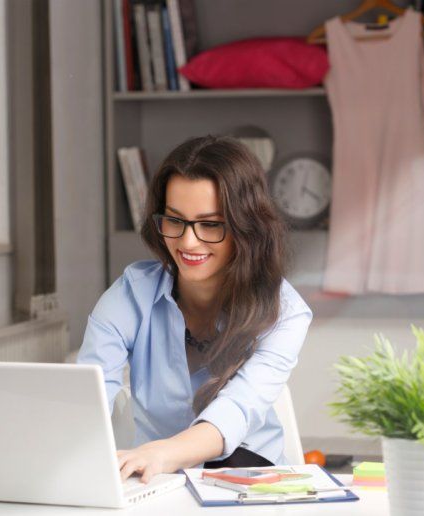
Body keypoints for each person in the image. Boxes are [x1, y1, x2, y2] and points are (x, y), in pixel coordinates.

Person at [77, 135, 313, 484]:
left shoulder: (286, 311)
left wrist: (163, 452)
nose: (188, 242)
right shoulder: (129, 296)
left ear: (246, 228)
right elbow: (90, 396)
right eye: (175, 220)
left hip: (249, 483)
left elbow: (235, 410)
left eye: (210, 225)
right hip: (154, 484)